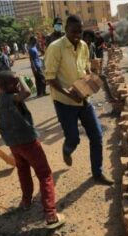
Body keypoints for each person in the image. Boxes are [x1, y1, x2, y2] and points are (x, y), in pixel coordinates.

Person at [44, 15, 114, 185]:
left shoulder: (83, 46)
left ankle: (97, 173)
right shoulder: (55, 48)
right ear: (66, 30)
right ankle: (67, 149)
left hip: (84, 99)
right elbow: (50, 78)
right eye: (73, 31)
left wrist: (93, 78)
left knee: (96, 136)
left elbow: (86, 68)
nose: (77, 35)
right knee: (74, 138)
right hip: (64, 102)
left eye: (80, 31)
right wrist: (69, 93)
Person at [0, 70, 65, 229]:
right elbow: (27, 91)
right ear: (13, 85)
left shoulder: (2, 98)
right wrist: (19, 77)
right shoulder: (10, 98)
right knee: (45, 174)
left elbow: (21, 91)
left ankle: (26, 202)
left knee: (23, 170)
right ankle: (50, 214)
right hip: (28, 142)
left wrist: (14, 82)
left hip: (14, 144)